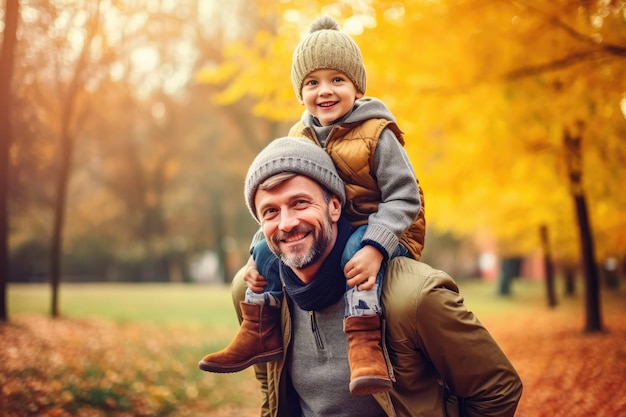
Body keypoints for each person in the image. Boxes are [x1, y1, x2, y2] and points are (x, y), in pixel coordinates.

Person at [199, 15, 426, 396]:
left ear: (356, 85)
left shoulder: (377, 132)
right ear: (300, 91)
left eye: (337, 79)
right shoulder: (300, 136)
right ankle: (260, 323)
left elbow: (406, 197)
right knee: (264, 243)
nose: (325, 91)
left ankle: (364, 339)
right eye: (312, 82)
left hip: (387, 227)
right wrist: (259, 262)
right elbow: (287, 200)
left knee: (355, 248)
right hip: (330, 223)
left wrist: (375, 247)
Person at [230, 137, 522, 416]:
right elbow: (271, 387)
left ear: (334, 206)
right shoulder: (252, 292)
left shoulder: (415, 296)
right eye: (270, 211)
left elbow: (497, 389)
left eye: (300, 203)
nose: (287, 222)